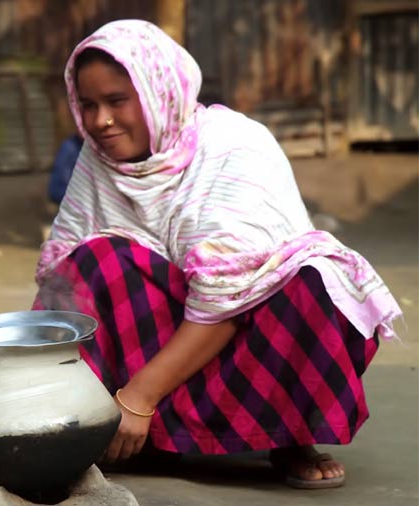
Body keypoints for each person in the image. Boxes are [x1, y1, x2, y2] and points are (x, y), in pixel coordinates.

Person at [34, 20, 401, 490]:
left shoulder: (234, 146)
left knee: (315, 282)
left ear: (159, 93)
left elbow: (224, 297)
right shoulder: (97, 160)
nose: (100, 120)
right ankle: (148, 436)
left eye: (117, 101)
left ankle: (286, 435)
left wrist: (140, 396)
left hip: (238, 335)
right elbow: (59, 279)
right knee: (92, 261)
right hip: (168, 339)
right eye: (87, 105)